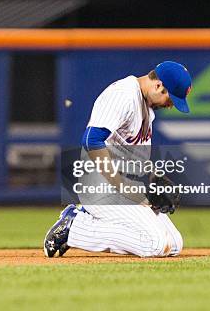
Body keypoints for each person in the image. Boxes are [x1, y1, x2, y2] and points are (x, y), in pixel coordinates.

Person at [44, 61, 191, 258]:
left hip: (123, 188)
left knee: (173, 244)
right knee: (155, 245)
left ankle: (86, 225)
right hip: (101, 187)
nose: (171, 105)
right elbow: (91, 139)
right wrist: (123, 186)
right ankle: (76, 227)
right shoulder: (124, 96)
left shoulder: (146, 107)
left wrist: (153, 180)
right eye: (170, 98)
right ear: (158, 85)